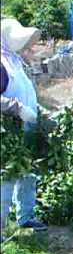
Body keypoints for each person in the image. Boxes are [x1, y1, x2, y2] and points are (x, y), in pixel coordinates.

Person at [0, 18, 48, 237]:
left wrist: (42, 114)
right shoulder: (1, 64)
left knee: (28, 173)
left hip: (26, 129)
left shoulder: (15, 61)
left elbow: (26, 92)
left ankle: (26, 217)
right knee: (7, 178)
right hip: (8, 132)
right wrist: (16, 108)